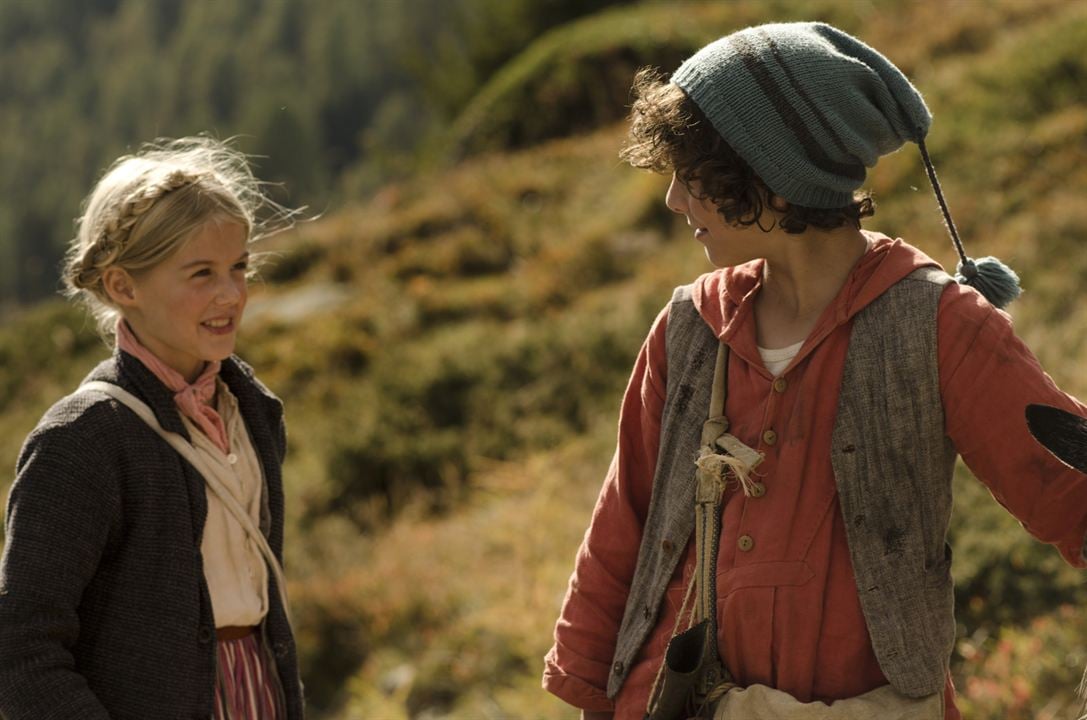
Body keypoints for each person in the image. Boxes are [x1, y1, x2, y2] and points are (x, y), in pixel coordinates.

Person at [543, 22, 1087, 720]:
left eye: (692, 174)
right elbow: (621, 531)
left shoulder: (937, 324)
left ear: (771, 172)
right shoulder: (687, 328)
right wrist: (593, 700)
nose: (674, 201)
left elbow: (1071, 496)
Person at [0, 137, 304, 719]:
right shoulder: (83, 439)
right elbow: (22, 651)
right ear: (122, 287)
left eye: (239, 266)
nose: (231, 294)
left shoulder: (254, 412)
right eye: (201, 273)